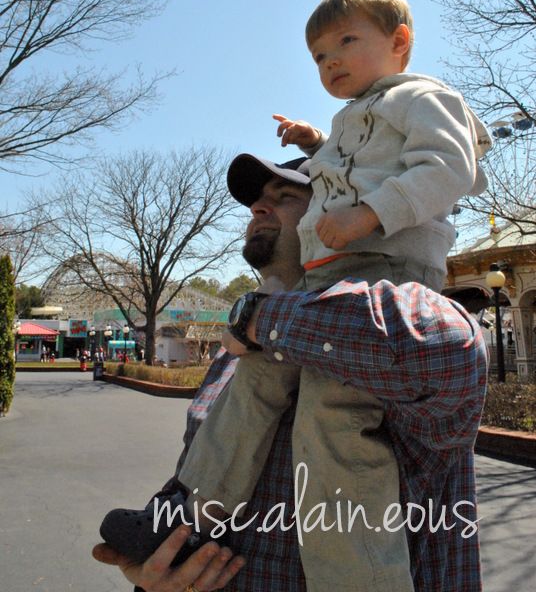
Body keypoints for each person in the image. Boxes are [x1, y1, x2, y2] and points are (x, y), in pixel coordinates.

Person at [173, 0, 491, 589]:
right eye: (319, 56)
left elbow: (450, 168)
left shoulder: (424, 97)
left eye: (284, 195)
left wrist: (365, 218)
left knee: (333, 420)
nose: (331, 61)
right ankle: (185, 519)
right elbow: (347, 167)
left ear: (400, 43)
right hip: (323, 282)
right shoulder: (238, 352)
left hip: (382, 267)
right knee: (250, 394)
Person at [95, 154, 487, 592]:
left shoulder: (413, 314)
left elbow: (444, 345)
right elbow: (191, 481)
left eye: (284, 197)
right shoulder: (234, 357)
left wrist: (260, 315)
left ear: (344, 214)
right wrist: (156, 571)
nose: (258, 210)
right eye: (256, 203)